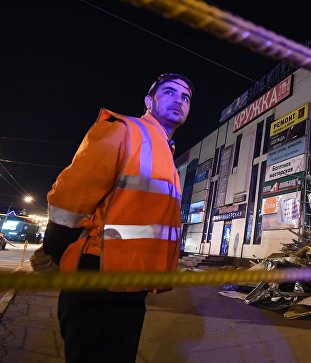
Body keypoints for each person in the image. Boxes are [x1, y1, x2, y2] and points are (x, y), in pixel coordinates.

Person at [30, 73, 193, 363]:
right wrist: (52, 250)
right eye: (169, 92)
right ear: (149, 101)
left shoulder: (166, 155)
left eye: (185, 97)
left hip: (131, 286)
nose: (178, 100)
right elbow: (72, 197)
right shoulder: (124, 130)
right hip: (98, 279)